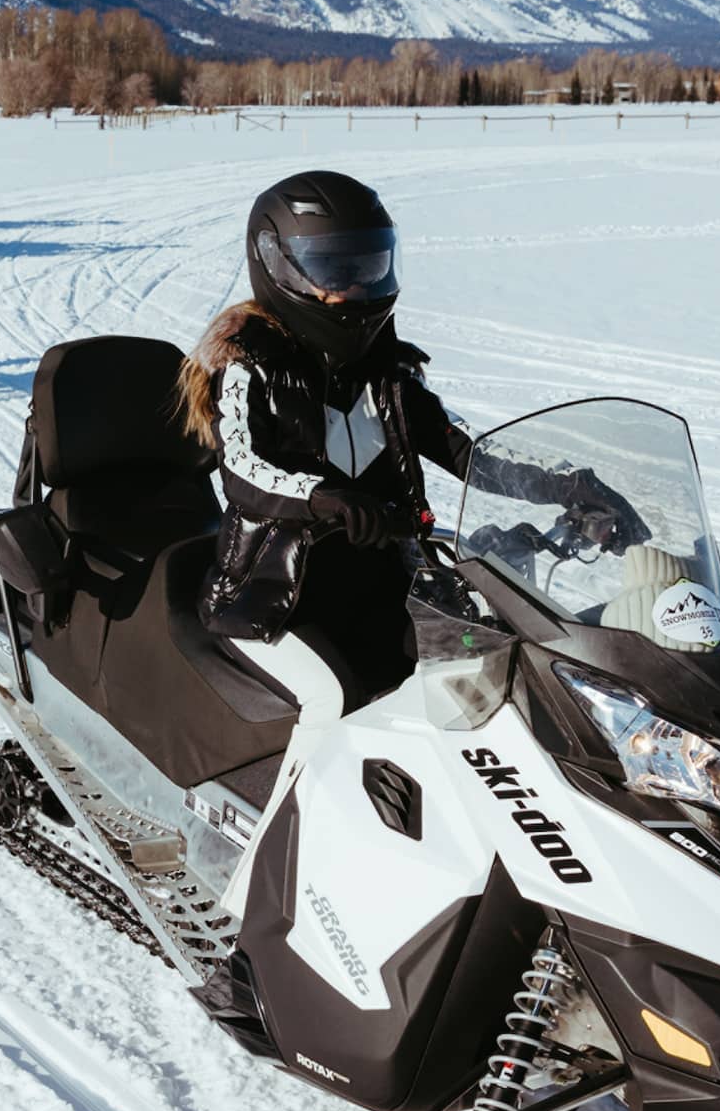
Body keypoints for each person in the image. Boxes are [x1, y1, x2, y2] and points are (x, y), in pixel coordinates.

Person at [176, 171, 644, 741]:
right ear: (278, 266)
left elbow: (469, 450)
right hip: (277, 595)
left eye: (367, 265)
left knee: (477, 681)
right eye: (331, 268)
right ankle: (291, 828)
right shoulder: (250, 365)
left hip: (388, 582)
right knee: (335, 702)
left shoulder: (387, 373)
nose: (351, 289)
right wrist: (322, 499)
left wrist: (570, 485)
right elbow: (247, 470)